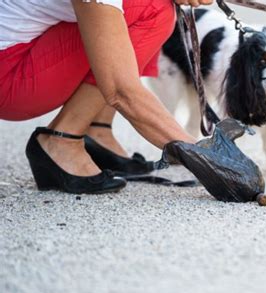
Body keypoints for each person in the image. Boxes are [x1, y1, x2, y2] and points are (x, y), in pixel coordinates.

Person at [0, 0, 213, 194]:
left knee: (151, 7)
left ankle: (96, 128)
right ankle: (62, 140)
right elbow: (122, 91)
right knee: (152, 11)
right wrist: (203, 156)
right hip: (8, 77)